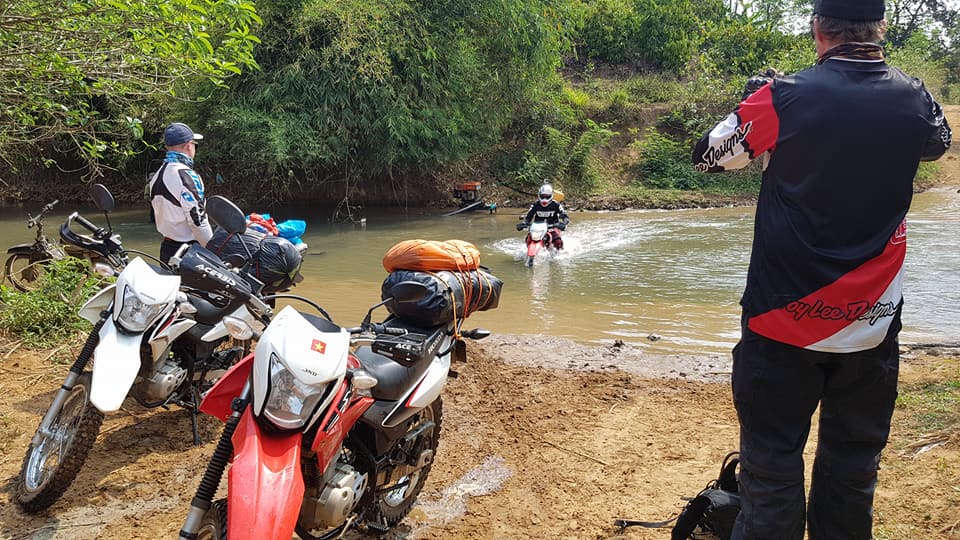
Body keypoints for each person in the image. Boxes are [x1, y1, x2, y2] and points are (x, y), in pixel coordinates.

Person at [691, 0, 952, 538]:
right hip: (872, 322)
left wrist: (753, 97)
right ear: (879, 29)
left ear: (818, 30)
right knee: (852, 472)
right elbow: (937, 144)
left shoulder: (786, 95)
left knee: (771, 468)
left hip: (780, 318)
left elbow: (708, 157)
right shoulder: (915, 97)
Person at [148, 122, 214, 264]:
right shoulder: (187, 176)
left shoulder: (157, 175)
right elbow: (198, 221)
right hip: (188, 252)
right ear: (189, 145)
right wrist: (213, 253)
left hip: (166, 249)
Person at [517, 184, 569, 249]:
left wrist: (564, 223)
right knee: (528, 239)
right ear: (539, 195)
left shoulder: (556, 205)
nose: (544, 198)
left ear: (551, 195)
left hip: (552, 227)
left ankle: (560, 255)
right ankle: (528, 252)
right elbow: (528, 217)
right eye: (542, 196)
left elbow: (565, 216)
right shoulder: (535, 205)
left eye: (547, 196)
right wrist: (523, 223)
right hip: (537, 228)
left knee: (558, 242)